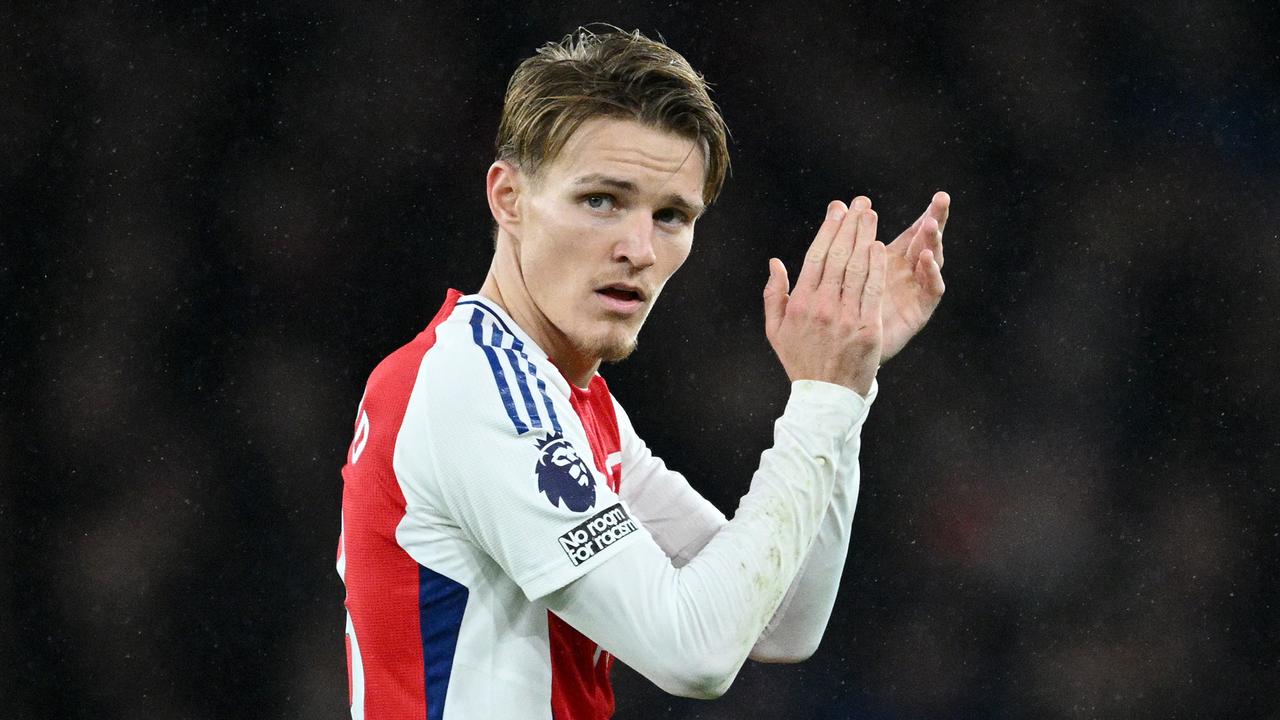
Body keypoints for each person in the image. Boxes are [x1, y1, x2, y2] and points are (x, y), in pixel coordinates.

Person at [337, 27, 949, 720]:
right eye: (601, 200)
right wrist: (817, 400)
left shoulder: (570, 401)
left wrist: (845, 389)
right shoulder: (473, 388)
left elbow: (781, 623)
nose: (638, 249)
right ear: (509, 197)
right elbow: (694, 654)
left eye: (670, 216)